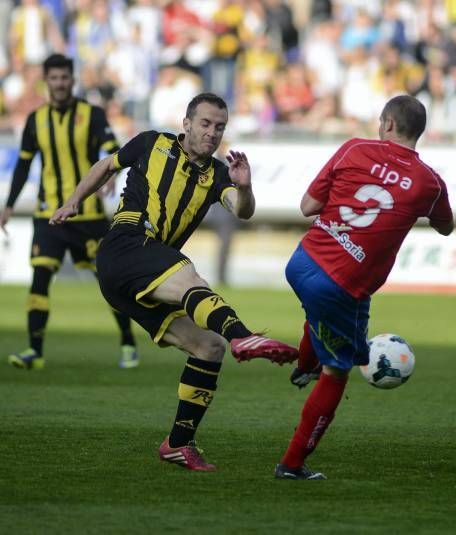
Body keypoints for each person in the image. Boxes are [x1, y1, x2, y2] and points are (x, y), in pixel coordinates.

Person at [50, 92, 299, 472]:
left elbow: (243, 212)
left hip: (138, 277)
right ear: (186, 123)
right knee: (189, 277)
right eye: (205, 124)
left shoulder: (218, 174)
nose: (212, 133)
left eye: (220, 127)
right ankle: (243, 335)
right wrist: (73, 201)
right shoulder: (152, 143)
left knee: (208, 348)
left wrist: (245, 187)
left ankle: (178, 444)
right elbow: (106, 165)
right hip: (126, 244)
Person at [275, 95, 455, 480]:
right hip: (344, 285)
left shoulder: (353, 147)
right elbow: (446, 226)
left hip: (303, 261)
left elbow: (308, 206)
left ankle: (304, 364)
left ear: (387, 124)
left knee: (318, 310)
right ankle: (292, 465)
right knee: (337, 371)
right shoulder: (429, 182)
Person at [0, 53, 139, 370]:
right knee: (40, 276)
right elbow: (23, 164)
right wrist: (8, 204)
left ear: (72, 80)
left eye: (64, 78)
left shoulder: (93, 115)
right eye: (54, 78)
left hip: (87, 215)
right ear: (46, 82)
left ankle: (128, 342)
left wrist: (109, 177)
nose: (60, 83)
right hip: (47, 213)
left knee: (109, 280)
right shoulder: (35, 120)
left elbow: (110, 151)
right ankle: (34, 350)